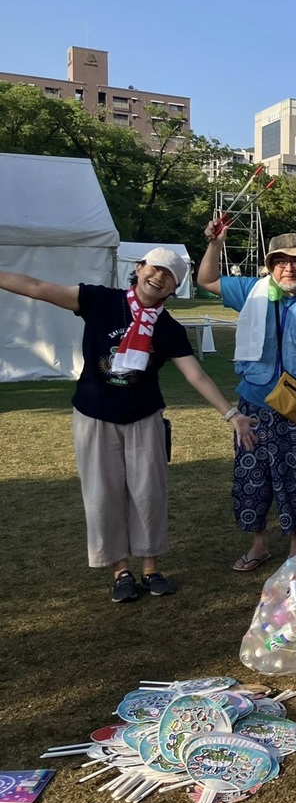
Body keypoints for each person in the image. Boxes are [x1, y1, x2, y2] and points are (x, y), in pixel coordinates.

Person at [0, 250, 255, 602]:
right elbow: (38, 287)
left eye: (169, 275)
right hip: (94, 415)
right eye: (155, 269)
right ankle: (120, 570)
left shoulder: (168, 328)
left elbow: (195, 375)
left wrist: (232, 414)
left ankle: (151, 568)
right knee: (102, 493)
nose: (159, 277)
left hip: (143, 416)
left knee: (148, 492)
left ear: (175, 286)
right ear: (139, 269)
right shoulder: (100, 300)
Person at [197, 221, 296, 573]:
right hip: (254, 403)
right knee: (253, 475)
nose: (289, 268)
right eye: (281, 261)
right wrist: (216, 245)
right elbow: (205, 279)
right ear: (270, 265)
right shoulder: (252, 291)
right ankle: (259, 545)